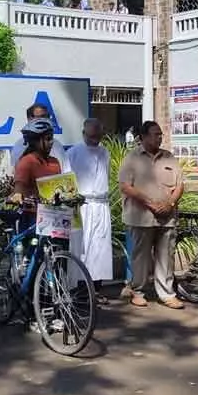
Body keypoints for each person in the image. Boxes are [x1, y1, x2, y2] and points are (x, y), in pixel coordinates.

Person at [118, 121, 185, 309]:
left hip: (167, 216)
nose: (159, 137)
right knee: (141, 256)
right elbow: (125, 186)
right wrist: (150, 204)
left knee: (166, 256)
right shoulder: (132, 158)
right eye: (155, 134)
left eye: (160, 134)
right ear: (144, 136)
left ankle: (167, 293)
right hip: (141, 216)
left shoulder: (169, 158)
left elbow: (180, 185)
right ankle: (137, 290)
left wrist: (170, 203)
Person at [68, 119, 113, 304]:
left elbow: (106, 176)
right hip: (81, 206)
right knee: (81, 247)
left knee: (100, 248)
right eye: (92, 136)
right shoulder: (72, 153)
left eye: (98, 136)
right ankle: (80, 290)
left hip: (101, 205)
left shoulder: (105, 153)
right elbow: (67, 180)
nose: (95, 140)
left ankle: (96, 288)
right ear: (84, 133)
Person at [10, 103, 70, 172]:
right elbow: (17, 173)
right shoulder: (19, 146)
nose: (45, 120)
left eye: (47, 116)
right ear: (30, 119)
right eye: (41, 117)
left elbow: (66, 172)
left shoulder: (57, 145)